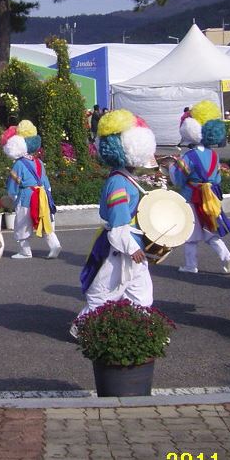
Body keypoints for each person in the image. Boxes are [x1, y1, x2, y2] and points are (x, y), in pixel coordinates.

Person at [74, 110, 159, 323]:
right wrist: (132, 248)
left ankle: (143, 330)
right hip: (119, 248)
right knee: (104, 293)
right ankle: (82, 327)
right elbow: (118, 222)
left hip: (129, 246)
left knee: (140, 292)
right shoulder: (119, 183)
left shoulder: (125, 178)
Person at [166, 101, 230, 275]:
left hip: (192, 197)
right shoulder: (214, 155)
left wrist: (170, 167)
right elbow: (218, 177)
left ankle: (191, 265)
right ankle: (226, 257)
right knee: (211, 230)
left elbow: (178, 178)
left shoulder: (188, 156)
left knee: (191, 233)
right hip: (211, 197)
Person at [3, 120, 61, 259]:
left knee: (22, 223)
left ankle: (25, 251)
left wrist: (11, 196)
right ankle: (54, 245)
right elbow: (46, 182)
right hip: (42, 196)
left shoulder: (18, 164)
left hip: (26, 197)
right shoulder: (38, 162)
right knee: (44, 221)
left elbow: (13, 185)